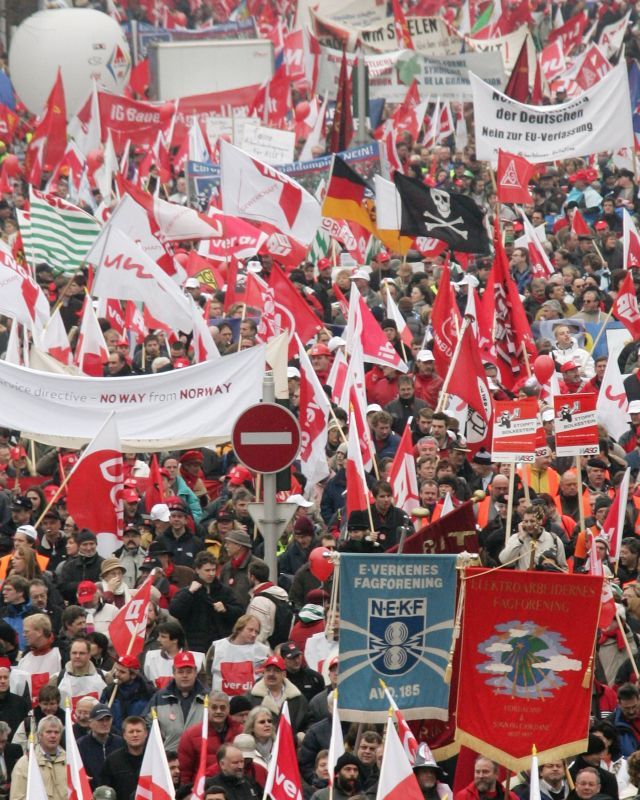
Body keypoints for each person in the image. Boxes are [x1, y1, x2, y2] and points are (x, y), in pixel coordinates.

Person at [169, 551, 244, 653]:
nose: (211, 574)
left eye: (213, 570)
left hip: (221, 645)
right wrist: (189, 592)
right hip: (195, 647)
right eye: (207, 570)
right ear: (197, 570)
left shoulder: (224, 591)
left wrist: (226, 609)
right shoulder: (188, 591)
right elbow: (175, 610)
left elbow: (240, 612)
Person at [144, 651, 207, 750]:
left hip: (198, 758)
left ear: (195, 672)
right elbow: (146, 722)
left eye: (189, 671)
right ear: (173, 672)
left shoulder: (208, 698)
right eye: (180, 672)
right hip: (168, 758)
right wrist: (159, 739)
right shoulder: (159, 697)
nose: (185, 675)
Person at [178, 691, 243, 785]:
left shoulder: (240, 732)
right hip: (204, 789)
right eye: (214, 707)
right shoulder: (190, 735)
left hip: (235, 788)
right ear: (207, 708)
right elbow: (185, 772)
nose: (218, 711)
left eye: (222, 707)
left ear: (228, 709)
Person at [206, 615, 269, 697]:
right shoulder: (218, 647)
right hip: (220, 703)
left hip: (249, 703)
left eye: (256, 632)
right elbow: (207, 674)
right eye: (250, 630)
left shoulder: (262, 651)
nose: (254, 634)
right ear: (239, 629)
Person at [246, 655, 308, 735]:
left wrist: (300, 737)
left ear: (284, 674)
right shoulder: (251, 697)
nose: (271, 674)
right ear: (263, 673)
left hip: (290, 744)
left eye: (276, 671)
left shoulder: (297, 698)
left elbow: (308, 723)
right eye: (268, 670)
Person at [9, 715, 66, 800]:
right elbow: (17, 796)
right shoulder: (26, 762)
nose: (53, 736)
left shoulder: (70, 762)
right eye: (49, 732)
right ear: (39, 735)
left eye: (56, 732)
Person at [100, 655, 154, 734]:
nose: (117, 674)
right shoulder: (109, 691)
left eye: (122, 672)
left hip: (139, 738)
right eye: (116, 670)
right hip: (116, 739)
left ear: (133, 675)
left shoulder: (148, 693)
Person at [99, 716, 148, 800]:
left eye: (138, 731)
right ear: (124, 735)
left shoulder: (154, 760)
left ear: (146, 733)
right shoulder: (112, 761)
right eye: (131, 732)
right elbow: (105, 791)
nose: (135, 735)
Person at [76, 704, 124, 791]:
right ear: (90, 723)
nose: (105, 723)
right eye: (100, 720)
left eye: (107, 719)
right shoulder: (81, 745)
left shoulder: (120, 743)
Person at [454, 757, 519, 800]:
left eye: (485, 772)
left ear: (496, 774)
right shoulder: (463, 797)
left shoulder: (511, 797)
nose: (481, 776)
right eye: (477, 772)